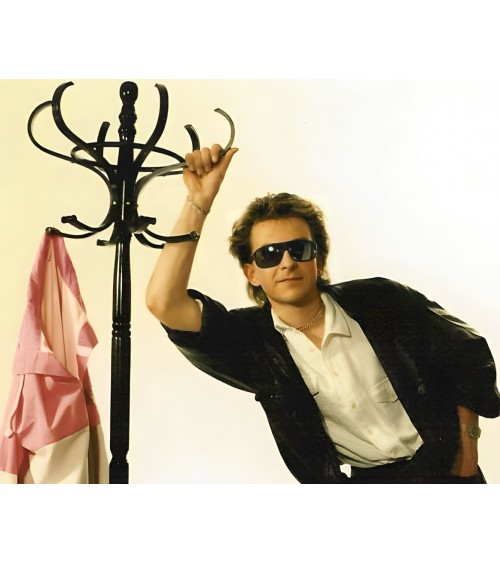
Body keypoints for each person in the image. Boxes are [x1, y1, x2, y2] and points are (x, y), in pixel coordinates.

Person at [146, 144, 500, 484]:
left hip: (448, 473)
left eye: (299, 249)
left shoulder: (380, 299)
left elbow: (465, 352)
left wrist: (468, 450)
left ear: (318, 258)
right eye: (269, 254)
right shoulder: (253, 345)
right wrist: (199, 201)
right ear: (251, 272)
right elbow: (163, 302)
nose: (287, 262)